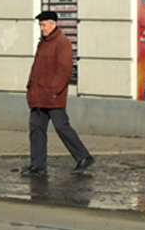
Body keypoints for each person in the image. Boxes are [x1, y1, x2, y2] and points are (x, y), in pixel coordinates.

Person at [20, 10, 95, 176]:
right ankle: (37, 165)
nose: (42, 28)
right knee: (36, 129)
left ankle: (84, 157)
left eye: (44, 25)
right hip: (38, 96)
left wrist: (54, 91)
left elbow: (65, 71)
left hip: (53, 96)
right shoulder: (43, 43)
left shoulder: (62, 43)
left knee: (62, 127)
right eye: (40, 25)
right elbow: (36, 68)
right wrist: (30, 88)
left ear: (53, 24)